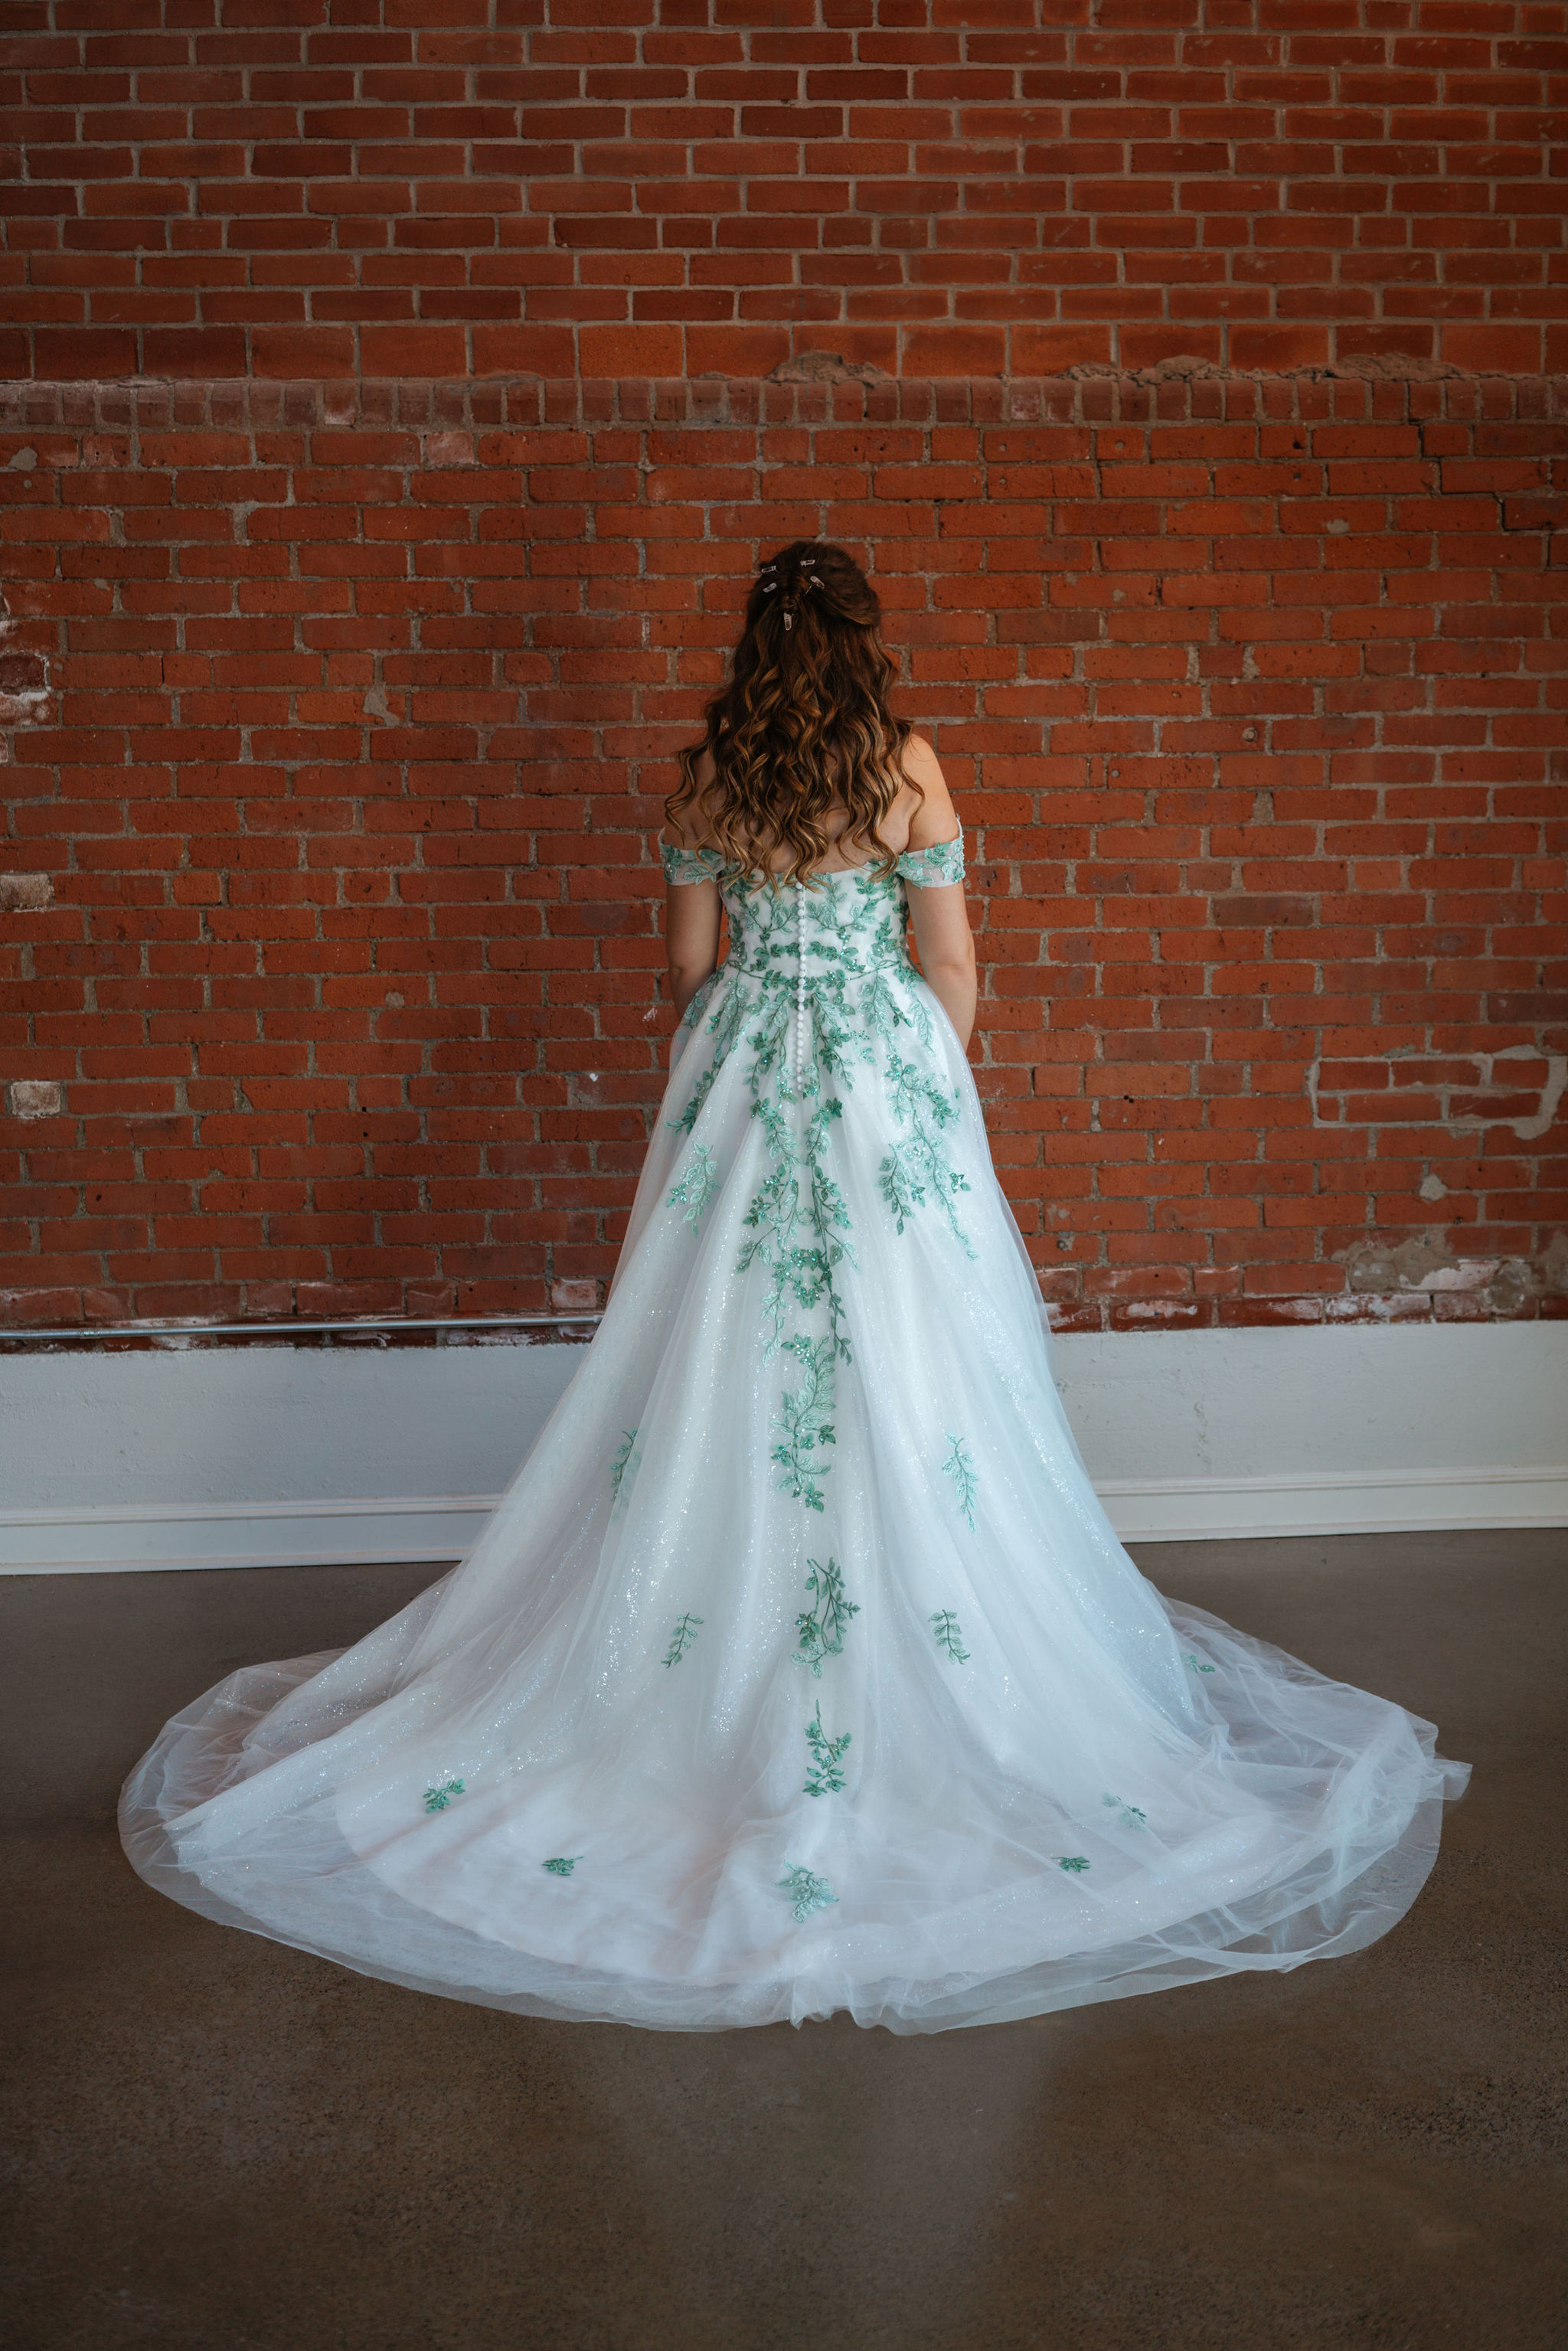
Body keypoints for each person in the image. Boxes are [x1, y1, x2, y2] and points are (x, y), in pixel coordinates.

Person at [121, 541, 1468, 2033]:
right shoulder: (907, 767)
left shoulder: (708, 778)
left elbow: (687, 974)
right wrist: (921, 1085)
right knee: (919, 1351)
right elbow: (952, 962)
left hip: (747, 1074)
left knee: (720, 1348)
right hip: (886, 1077)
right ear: (860, 642)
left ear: (755, 649)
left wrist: (738, 1058)